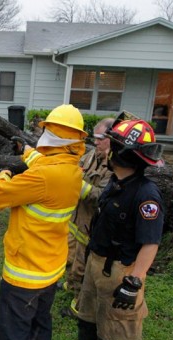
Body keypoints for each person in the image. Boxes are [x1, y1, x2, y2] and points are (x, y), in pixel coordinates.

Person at [59, 116, 165, 340]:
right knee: (88, 313)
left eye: (113, 146)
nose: (105, 149)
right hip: (96, 261)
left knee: (120, 327)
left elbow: (150, 243)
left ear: (123, 154)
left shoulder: (146, 196)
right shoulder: (116, 182)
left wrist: (135, 281)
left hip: (121, 270)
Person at [0, 104, 87, 340]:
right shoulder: (72, 169)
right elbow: (44, 164)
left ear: (53, 134)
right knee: (39, 333)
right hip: (49, 273)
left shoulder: (42, 178)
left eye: (46, 130)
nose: (42, 133)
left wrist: (3, 173)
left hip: (23, 278)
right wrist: (25, 151)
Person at [62, 118, 114, 318]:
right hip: (77, 219)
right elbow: (78, 168)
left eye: (100, 138)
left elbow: (102, 197)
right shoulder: (92, 155)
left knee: (84, 264)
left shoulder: (113, 166)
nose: (96, 142)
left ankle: (79, 305)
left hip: (92, 225)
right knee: (72, 255)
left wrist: (76, 185)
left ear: (110, 138)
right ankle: (71, 283)